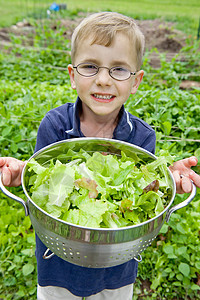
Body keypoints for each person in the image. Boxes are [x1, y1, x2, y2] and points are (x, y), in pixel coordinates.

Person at [0, 12, 200, 300]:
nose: (103, 80)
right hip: (57, 263)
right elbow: (40, 189)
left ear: (136, 81)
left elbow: (143, 196)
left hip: (116, 270)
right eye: (90, 66)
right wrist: (23, 174)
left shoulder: (142, 138)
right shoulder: (54, 126)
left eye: (119, 69)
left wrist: (165, 178)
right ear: (72, 75)